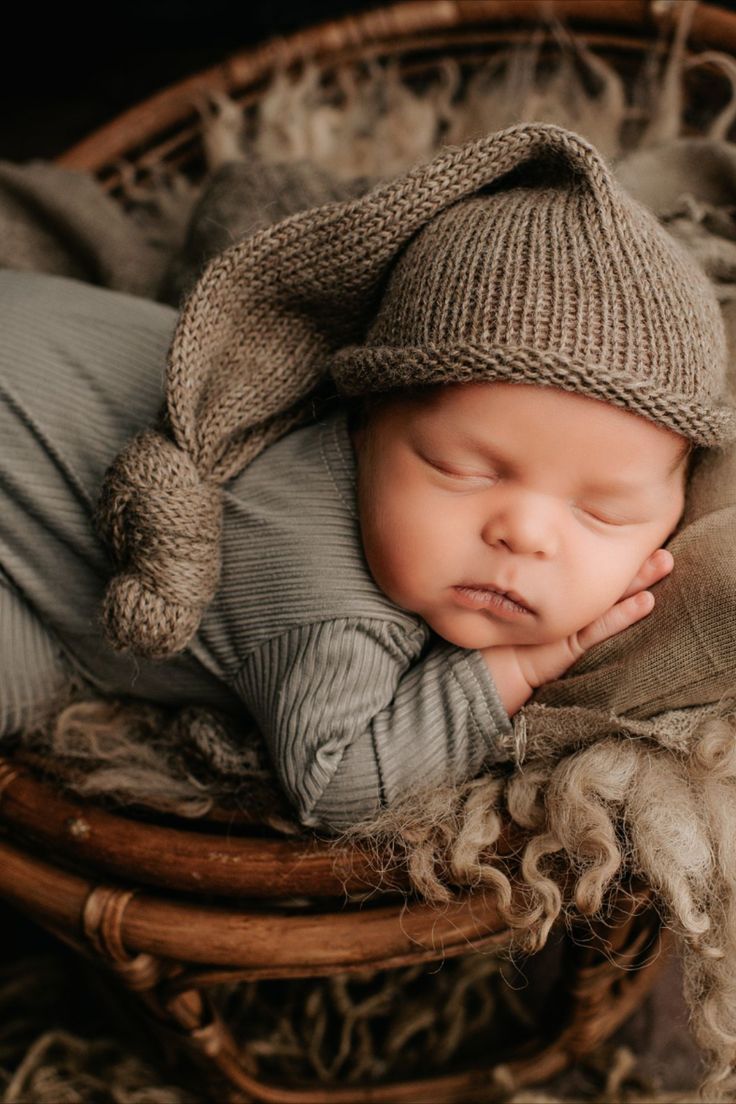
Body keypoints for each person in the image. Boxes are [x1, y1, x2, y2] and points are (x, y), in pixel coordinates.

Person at [1, 123, 734, 832]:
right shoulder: (329, 601)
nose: (525, 532)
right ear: (360, 423)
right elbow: (336, 785)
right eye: (461, 470)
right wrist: (525, 665)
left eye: (604, 511)